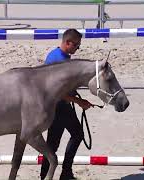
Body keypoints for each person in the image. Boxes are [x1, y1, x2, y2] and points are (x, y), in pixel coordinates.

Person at [40, 29, 93, 180]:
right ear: (68, 42)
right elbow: (56, 91)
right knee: (59, 142)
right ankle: (61, 174)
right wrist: (79, 101)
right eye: (76, 45)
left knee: (68, 138)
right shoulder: (59, 60)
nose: (77, 48)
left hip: (60, 105)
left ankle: (63, 173)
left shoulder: (60, 55)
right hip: (58, 106)